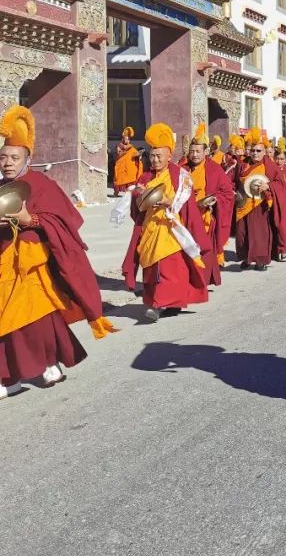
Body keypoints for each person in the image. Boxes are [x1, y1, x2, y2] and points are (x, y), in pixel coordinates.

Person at [0, 106, 115, 399]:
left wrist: (31, 220)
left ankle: (47, 363)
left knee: (35, 319)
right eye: (3, 157)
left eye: (14, 158)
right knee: (7, 319)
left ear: (28, 159)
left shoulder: (42, 185)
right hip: (4, 262)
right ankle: (12, 376)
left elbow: (64, 220)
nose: (7, 163)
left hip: (33, 261)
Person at [122, 123, 210, 322]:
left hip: (172, 231)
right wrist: (138, 195)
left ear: (169, 155)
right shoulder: (145, 177)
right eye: (152, 156)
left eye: (159, 156)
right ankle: (169, 303)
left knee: (169, 270)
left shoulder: (180, 176)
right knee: (153, 269)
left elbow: (188, 205)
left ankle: (160, 304)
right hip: (151, 229)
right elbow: (137, 210)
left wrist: (170, 203)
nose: (154, 160)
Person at [184, 123, 234, 287]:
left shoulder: (214, 169)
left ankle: (202, 279)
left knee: (203, 250)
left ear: (206, 152)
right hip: (185, 215)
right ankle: (188, 278)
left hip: (205, 215)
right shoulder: (183, 168)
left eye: (198, 151)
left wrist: (213, 200)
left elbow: (227, 192)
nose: (195, 155)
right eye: (192, 151)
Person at [233, 128, 274, 271]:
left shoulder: (268, 165)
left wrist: (268, 186)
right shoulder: (243, 164)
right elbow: (233, 180)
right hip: (243, 202)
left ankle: (260, 260)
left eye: (258, 151)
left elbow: (279, 183)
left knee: (259, 233)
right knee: (242, 233)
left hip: (260, 204)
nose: (255, 153)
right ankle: (246, 258)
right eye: (253, 150)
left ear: (264, 152)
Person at [112, 126, 142, 196]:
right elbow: (119, 154)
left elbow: (134, 154)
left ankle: (129, 192)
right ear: (122, 139)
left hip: (129, 166)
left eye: (128, 140)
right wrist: (124, 152)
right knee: (118, 178)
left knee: (130, 177)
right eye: (126, 139)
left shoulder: (131, 147)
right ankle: (116, 192)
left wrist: (138, 154)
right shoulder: (119, 146)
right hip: (121, 165)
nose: (127, 141)